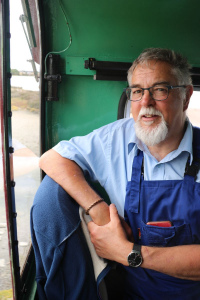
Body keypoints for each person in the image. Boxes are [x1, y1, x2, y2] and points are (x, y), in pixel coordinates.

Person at [31, 48, 200, 299]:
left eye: (160, 89)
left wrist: (127, 253)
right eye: (137, 91)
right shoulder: (117, 138)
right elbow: (51, 158)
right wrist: (97, 208)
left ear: (185, 97)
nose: (146, 103)